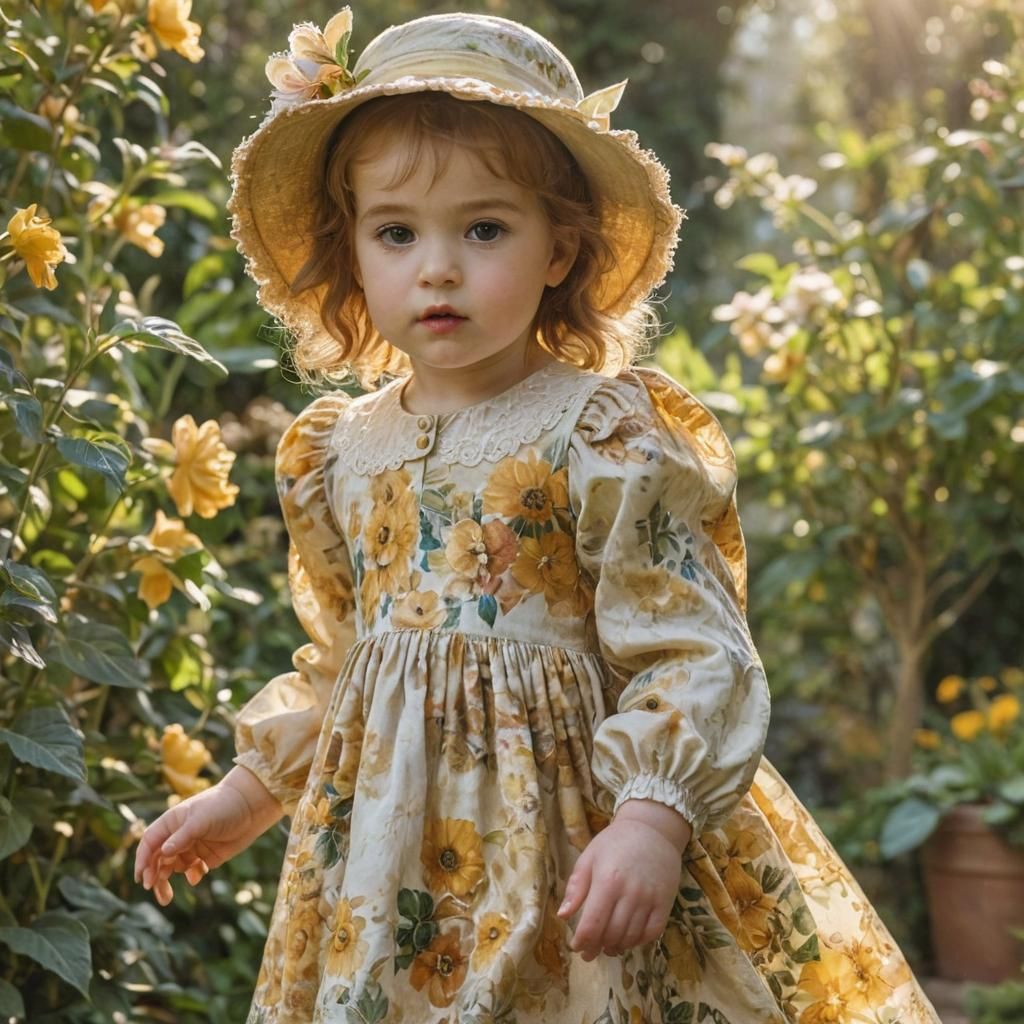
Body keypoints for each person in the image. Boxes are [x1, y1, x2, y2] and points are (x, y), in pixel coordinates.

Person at [134, 10, 942, 1024]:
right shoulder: (337, 452)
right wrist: (245, 794)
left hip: (565, 852)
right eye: (396, 232)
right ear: (351, 252)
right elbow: (344, 663)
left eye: (484, 228)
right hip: (388, 886)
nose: (437, 266)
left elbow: (692, 647)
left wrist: (650, 819)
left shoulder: (595, 433)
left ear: (559, 250)